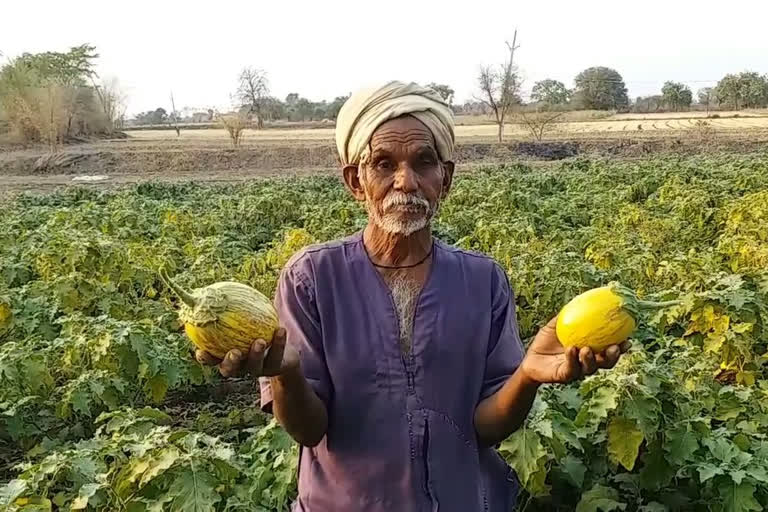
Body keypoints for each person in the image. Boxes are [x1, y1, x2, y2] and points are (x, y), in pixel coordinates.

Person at [195, 81, 629, 511]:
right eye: (383, 164)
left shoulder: (483, 280)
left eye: (424, 162)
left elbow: (483, 428)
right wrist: (286, 374)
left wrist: (527, 377)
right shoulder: (311, 277)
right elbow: (310, 431)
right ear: (355, 181)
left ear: (446, 178)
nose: (406, 181)